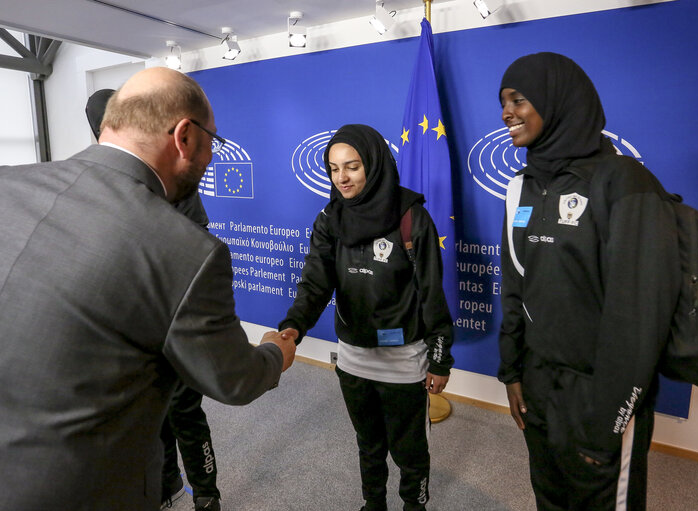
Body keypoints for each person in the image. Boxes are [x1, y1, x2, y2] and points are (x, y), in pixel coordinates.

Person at [0, 67, 297, 510]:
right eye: (213, 139)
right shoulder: (188, 251)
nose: (214, 154)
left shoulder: (10, 184)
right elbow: (235, 380)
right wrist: (275, 353)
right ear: (185, 136)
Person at [496, 52, 680, 510]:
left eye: (519, 99)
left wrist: (610, 418)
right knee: (550, 496)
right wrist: (513, 372)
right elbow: (516, 286)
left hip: (601, 392)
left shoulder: (626, 183)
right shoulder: (522, 187)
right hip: (539, 384)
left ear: (559, 101)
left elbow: (642, 316)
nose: (506, 113)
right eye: (502, 102)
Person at [279, 124, 454, 511]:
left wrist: (440, 357)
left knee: (410, 452)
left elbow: (432, 294)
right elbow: (315, 283)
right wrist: (293, 326)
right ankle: (373, 504)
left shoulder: (412, 219)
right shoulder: (329, 219)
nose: (341, 177)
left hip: (404, 361)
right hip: (354, 359)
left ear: (373, 165)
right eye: (333, 168)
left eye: (352, 167)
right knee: (369, 445)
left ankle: (415, 505)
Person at [87, 88, 222, 511]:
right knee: (151, 417)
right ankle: (168, 485)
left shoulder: (170, 178)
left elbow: (191, 251)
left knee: (185, 414)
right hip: (131, 329)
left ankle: (207, 495)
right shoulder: (99, 179)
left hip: (174, 323)